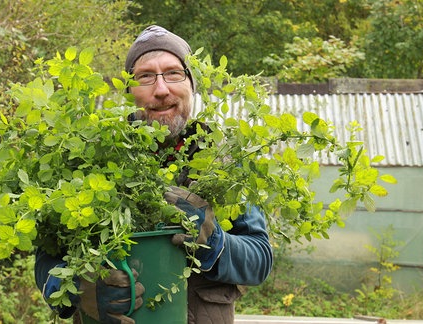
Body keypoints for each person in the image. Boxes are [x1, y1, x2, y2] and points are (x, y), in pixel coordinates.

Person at [35, 25, 273, 324]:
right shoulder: (92, 152)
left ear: (191, 84)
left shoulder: (223, 158)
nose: (161, 90)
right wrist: (82, 292)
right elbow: (46, 262)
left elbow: (260, 260)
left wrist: (215, 243)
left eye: (174, 73)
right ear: (129, 90)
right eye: (145, 76)